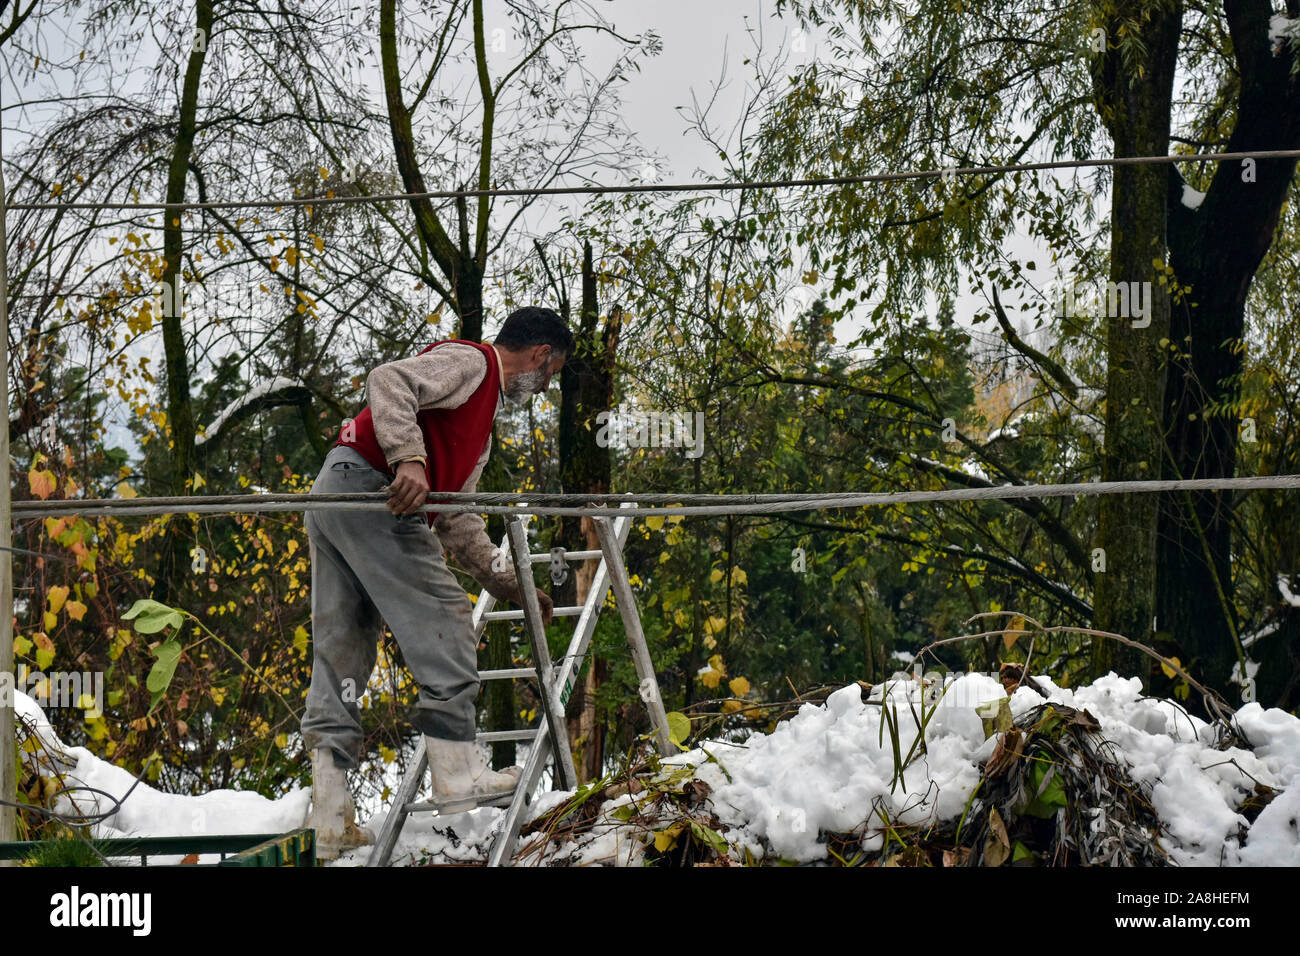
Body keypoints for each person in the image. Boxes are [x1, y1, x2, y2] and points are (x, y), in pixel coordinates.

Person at [301, 306, 572, 859]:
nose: (544, 389)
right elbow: (388, 379)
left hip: (336, 493)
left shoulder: (478, 432)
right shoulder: (473, 365)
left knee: (343, 651)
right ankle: (457, 773)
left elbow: (456, 518)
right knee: (448, 616)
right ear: (541, 357)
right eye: (552, 375)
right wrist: (409, 459)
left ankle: (328, 814)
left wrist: (510, 582)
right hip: (374, 491)